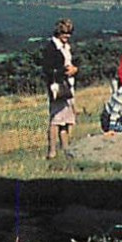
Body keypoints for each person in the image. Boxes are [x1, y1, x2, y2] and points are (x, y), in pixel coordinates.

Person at [42, 18, 78, 158]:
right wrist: (65, 71)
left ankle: (65, 150)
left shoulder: (66, 47)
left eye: (69, 33)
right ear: (58, 32)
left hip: (68, 86)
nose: (67, 36)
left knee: (66, 121)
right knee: (56, 120)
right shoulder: (51, 48)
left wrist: (75, 70)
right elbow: (48, 69)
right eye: (64, 33)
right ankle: (52, 151)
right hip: (57, 87)